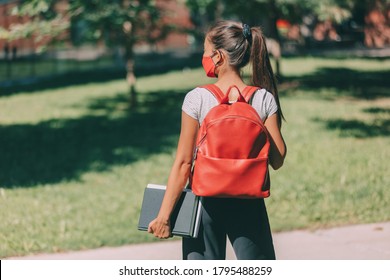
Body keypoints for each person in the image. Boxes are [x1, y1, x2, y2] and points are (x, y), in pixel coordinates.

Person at [148, 20, 287, 260]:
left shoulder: (197, 98)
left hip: (204, 204)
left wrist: (164, 216)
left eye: (205, 51)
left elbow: (183, 164)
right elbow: (277, 159)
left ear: (219, 56)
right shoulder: (263, 98)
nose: (203, 56)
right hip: (249, 202)